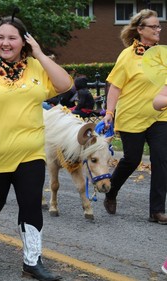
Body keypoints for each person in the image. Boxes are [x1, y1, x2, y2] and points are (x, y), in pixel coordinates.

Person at [0, 13, 72, 281]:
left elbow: (65, 84)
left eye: (12, 38)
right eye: (1, 37)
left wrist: (40, 54)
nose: (5, 43)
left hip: (29, 153)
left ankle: (32, 262)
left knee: (30, 204)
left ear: (23, 42)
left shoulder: (36, 68)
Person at [102, 9, 167, 225]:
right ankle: (111, 191)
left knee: (161, 158)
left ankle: (157, 211)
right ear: (140, 30)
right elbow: (115, 87)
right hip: (132, 116)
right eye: (154, 26)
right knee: (132, 159)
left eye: (159, 25)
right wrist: (110, 113)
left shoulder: (162, 55)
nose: (159, 29)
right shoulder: (127, 56)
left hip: (160, 116)